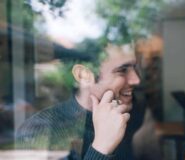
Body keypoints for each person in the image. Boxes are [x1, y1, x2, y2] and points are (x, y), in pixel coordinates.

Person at [16, 43, 145, 160]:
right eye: (122, 70)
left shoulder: (135, 115)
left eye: (135, 68)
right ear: (83, 76)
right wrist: (101, 147)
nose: (136, 80)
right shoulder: (40, 130)